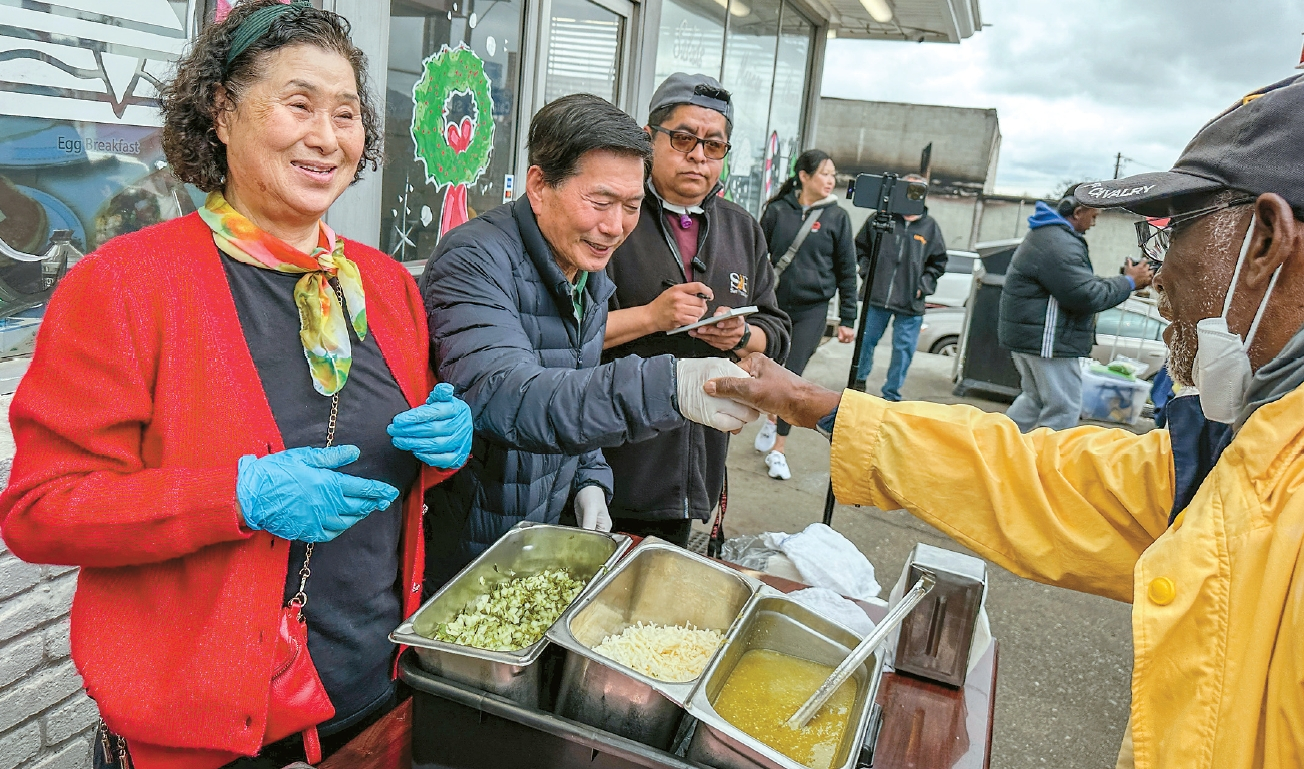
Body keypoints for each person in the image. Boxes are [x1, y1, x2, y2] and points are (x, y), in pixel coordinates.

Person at [704, 73, 1304, 769]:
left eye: (1174, 236)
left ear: (1265, 240)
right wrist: (830, 409)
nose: (1157, 275)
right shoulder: (1238, 447)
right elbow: (1039, 477)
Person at [0, 3, 477, 767]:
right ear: (222, 112)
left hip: (378, 693)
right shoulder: (126, 285)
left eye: (347, 113)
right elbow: (40, 510)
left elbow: (401, 461)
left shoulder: (384, 286)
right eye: (300, 105)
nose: (328, 136)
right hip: (210, 735)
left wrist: (446, 443)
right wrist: (237, 496)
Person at [419, 93, 758, 583]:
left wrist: (588, 477)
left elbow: (575, 388)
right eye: (599, 202)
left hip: (536, 530)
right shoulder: (474, 260)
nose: (614, 227)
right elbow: (508, 395)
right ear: (538, 186)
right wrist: (670, 385)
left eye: (631, 206)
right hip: (467, 540)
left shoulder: (586, 267)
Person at [598, 73, 791, 546]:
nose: (698, 156)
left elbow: (777, 329)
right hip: (610, 452)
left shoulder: (742, 228)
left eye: (714, 145)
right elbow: (561, 332)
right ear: (648, 139)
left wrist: (741, 337)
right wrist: (652, 317)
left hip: (696, 455)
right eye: (683, 138)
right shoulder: (610, 217)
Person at [998, 190, 1154, 430]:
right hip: (1049, 341)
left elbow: (1078, 284)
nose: (1094, 223)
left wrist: (1124, 280)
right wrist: (1129, 282)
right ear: (1077, 211)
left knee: (1035, 400)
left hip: (1035, 338)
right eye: (1093, 216)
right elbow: (1086, 296)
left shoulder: (1048, 235)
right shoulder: (1059, 243)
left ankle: (998, 449)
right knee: (1064, 407)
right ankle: (1045, 464)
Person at [752, 149, 857, 480]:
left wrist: (849, 319)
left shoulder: (837, 217)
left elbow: (846, 271)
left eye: (833, 175)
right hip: (774, 306)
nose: (830, 180)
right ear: (804, 176)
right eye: (824, 173)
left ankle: (779, 448)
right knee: (769, 369)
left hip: (813, 309)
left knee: (793, 374)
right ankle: (772, 417)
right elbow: (754, 259)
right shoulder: (777, 211)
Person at [852, 174, 947, 401]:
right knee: (865, 342)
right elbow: (859, 248)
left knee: (903, 351)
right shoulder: (880, 219)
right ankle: (859, 383)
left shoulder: (930, 227)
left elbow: (939, 262)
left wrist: (922, 286)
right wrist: (867, 272)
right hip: (877, 295)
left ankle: (891, 394)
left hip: (910, 302)